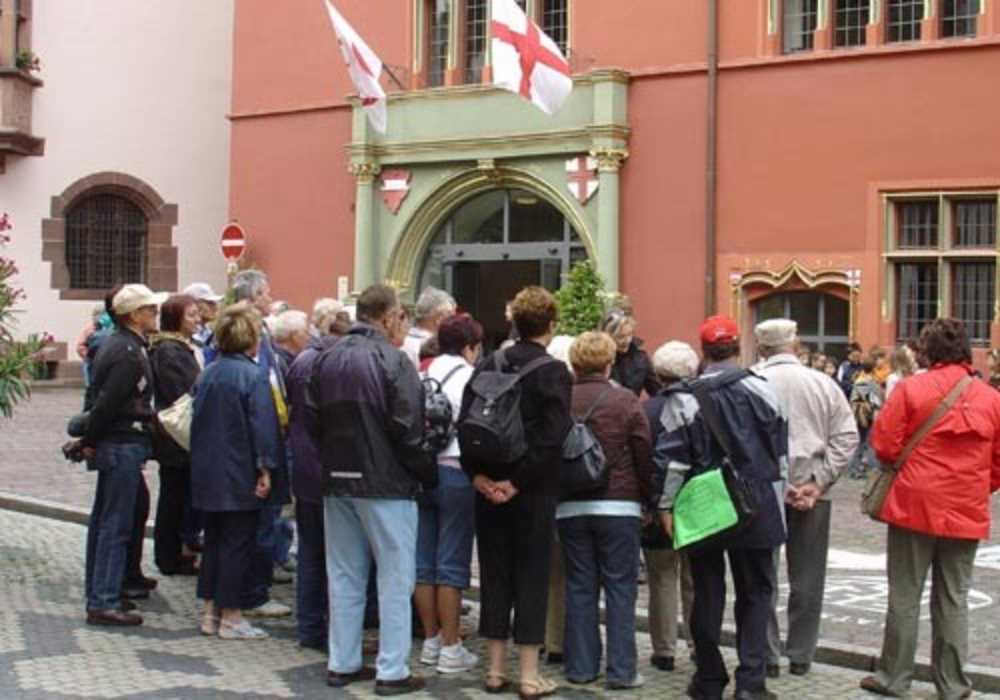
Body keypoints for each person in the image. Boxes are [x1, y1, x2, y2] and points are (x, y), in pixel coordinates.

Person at [860, 318, 1000, 699]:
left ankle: (895, 676)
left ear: (927, 351)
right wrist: (975, 487)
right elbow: (998, 461)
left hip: (913, 504)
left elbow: (885, 446)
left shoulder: (910, 389)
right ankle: (953, 684)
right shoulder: (991, 398)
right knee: (954, 599)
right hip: (965, 507)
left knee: (905, 595)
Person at [310, 283, 436, 694]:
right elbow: (408, 427)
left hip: (337, 478)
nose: (403, 324)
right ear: (386, 317)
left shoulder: (324, 357)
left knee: (344, 573)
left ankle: (342, 661)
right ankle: (391, 669)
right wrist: (423, 471)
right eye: (401, 316)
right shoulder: (393, 360)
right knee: (395, 577)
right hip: (386, 482)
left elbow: (310, 419)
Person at [656, 315, 788, 700]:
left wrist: (665, 507)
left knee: (706, 591)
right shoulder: (765, 389)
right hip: (757, 500)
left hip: (704, 504)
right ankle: (751, 681)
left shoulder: (684, 398)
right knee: (757, 593)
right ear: (738, 346)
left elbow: (673, 461)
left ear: (704, 351)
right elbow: (780, 453)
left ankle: (709, 677)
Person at [459, 286, 573, 699]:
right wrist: (518, 482)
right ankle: (527, 675)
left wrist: (479, 477)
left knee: (494, 575)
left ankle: (493, 669)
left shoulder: (490, 361)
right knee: (531, 577)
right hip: (531, 491)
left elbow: (466, 423)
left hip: (487, 488)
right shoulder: (554, 372)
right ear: (551, 324)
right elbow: (553, 437)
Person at [754, 319, 858, 678]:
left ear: (761, 348)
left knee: (760, 574)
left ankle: (766, 653)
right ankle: (800, 654)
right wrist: (820, 480)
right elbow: (846, 437)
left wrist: (777, 482)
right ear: (794, 345)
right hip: (812, 488)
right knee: (808, 576)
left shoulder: (752, 382)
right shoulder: (823, 383)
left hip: (764, 491)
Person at [556, 331, 653, 690]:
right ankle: (622, 670)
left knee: (580, 585)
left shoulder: (561, 400)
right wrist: (648, 498)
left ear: (575, 363)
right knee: (620, 588)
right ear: (609, 362)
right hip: (619, 504)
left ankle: (581, 667)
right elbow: (643, 452)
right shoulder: (625, 400)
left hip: (570, 505)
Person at [190, 302, 277, 640]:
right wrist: (265, 469)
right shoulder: (252, 376)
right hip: (239, 470)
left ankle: (210, 612)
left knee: (213, 541)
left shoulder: (208, 372)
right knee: (237, 544)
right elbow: (263, 427)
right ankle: (231, 616)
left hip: (208, 469)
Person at [81, 284, 167, 626]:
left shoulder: (123, 345)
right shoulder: (128, 352)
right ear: (134, 315)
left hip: (117, 442)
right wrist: (90, 439)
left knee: (106, 521)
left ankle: (102, 593)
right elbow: (107, 403)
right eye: (151, 310)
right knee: (114, 524)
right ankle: (103, 599)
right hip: (121, 443)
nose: (155, 315)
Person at [415, 314, 483, 674]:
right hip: (456, 471)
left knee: (423, 561)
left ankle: (429, 640)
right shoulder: (469, 377)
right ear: (470, 347)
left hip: (422, 471)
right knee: (451, 563)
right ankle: (451, 647)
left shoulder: (421, 372)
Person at [231, 269, 292, 618]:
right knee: (260, 522)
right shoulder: (249, 340)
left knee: (266, 519)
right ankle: (253, 592)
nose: (270, 298)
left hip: (273, 433)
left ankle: (256, 586)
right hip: (260, 442)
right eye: (266, 293)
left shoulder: (264, 334)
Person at [285, 302, 344, 652]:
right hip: (325, 469)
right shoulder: (328, 365)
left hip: (304, 467)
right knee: (332, 554)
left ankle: (308, 626)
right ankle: (322, 628)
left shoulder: (302, 360)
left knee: (309, 551)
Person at [643, 341, 698, 673]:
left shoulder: (647, 409)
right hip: (698, 502)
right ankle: (696, 643)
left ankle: (663, 650)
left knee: (661, 577)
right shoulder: (704, 405)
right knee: (696, 577)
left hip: (656, 503)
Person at [149, 294, 203, 577]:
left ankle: (178, 550)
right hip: (175, 435)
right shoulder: (169, 350)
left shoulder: (181, 347)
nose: (198, 320)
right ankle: (168, 555)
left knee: (180, 496)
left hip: (179, 435)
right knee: (174, 496)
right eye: (191, 315)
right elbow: (181, 393)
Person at [542, 333, 576, 667]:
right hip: (570, 494)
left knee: (547, 571)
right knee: (569, 573)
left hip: (539, 494)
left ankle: (546, 638)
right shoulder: (567, 397)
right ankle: (564, 642)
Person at [599, 308, 660, 397]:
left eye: (630, 334)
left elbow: (656, 391)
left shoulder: (641, 358)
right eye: (621, 337)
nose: (627, 340)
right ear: (607, 336)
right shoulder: (598, 359)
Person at [847, 355, 883, 479]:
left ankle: (854, 467)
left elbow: (852, 399)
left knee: (859, 441)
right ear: (873, 368)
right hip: (868, 416)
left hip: (857, 415)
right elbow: (876, 402)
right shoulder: (873, 383)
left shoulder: (857, 381)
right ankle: (860, 467)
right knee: (866, 442)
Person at [402, 286, 455, 368]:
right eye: (451, 317)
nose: (455, 323)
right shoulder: (434, 348)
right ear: (439, 318)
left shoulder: (400, 340)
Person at [182, 282, 224, 350]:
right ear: (194, 305)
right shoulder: (185, 335)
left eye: (215, 303)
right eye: (210, 303)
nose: (215, 307)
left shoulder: (211, 333)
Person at [75, 304, 105, 386]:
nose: (99, 317)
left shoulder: (112, 328)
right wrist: (88, 355)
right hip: (91, 361)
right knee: (91, 385)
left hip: (105, 362)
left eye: (102, 314)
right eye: (97, 314)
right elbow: (80, 346)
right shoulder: (89, 329)